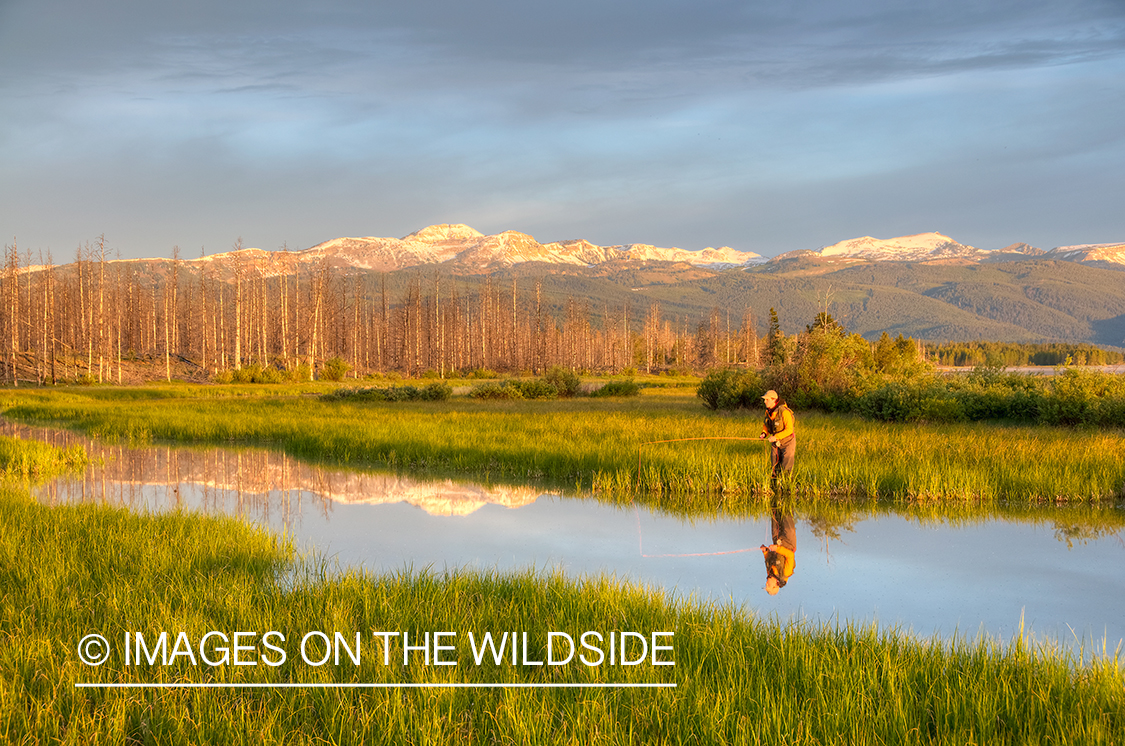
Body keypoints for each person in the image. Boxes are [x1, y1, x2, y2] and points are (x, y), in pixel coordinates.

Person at [760, 498, 796, 595]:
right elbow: (790, 555)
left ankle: (775, 496)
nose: (766, 584)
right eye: (768, 586)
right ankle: (787, 493)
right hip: (788, 541)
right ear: (775, 585)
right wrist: (777, 549)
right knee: (786, 515)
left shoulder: (769, 573)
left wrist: (765, 551)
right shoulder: (786, 573)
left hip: (777, 541)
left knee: (774, 515)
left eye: (766, 585)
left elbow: (768, 558)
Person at [759, 389, 795, 485]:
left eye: (767, 399)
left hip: (787, 442)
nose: (764, 401)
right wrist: (764, 433)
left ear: (774, 400)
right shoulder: (768, 412)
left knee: (786, 467)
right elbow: (766, 425)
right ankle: (774, 486)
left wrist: (776, 437)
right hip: (775, 442)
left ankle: (787, 488)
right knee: (774, 466)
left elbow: (789, 430)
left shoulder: (784, 412)